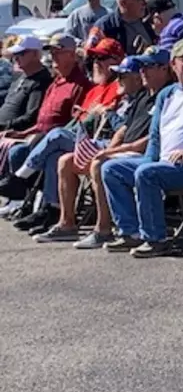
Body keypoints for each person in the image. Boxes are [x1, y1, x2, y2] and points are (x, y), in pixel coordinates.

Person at [101, 40, 183, 258]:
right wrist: (150, 159)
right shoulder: (167, 94)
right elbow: (156, 136)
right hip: (165, 163)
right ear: (174, 64)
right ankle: (130, 232)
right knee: (111, 169)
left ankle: (156, 239)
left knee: (147, 174)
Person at [33, 54, 164, 247]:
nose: (118, 80)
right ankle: (67, 224)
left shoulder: (164, 96)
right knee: (65, 161)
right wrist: (110, 149)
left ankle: (103, 230)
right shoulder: (143, 97)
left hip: (141, 153)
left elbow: (153, 138)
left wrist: (110, 152)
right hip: (121, 148)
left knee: (99, 164)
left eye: (122, 76)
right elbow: (124, 129)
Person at [10, 36, 124, 234]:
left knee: (55, 135)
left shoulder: (118, 87)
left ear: (117, 61)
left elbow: (112, 123)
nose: (96, 63)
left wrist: (101, 112)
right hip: (78, 138)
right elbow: (76, 119)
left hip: (100, 143)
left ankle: (20, 178)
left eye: (102, 58)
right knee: (57, 156)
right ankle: (53, 210)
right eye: (94, 58)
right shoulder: (94, 88)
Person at [0, 35, 90, 207]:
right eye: (52, 53)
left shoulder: (79, 85)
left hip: (57, 139)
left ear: (71, 55)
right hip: (39, 135)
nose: (53, 56)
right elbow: (42, 120)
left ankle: (32, 193)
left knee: (47, 155)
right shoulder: (55, 83)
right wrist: (23, 133)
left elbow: (71, 122)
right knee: (18, 149)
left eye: (58, 52)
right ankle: (24, 201)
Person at [86, 0, 155, 56]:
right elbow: (89, 56)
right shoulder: (104, 26)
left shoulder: (148, 23)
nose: (144, 3)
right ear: (123, 3)